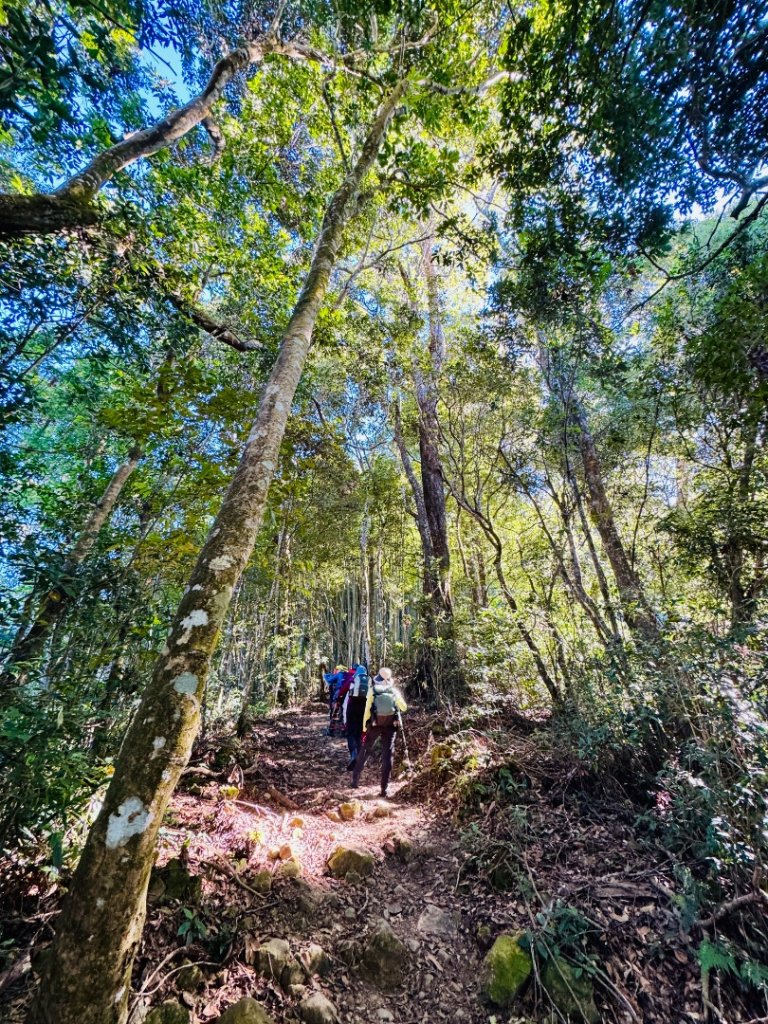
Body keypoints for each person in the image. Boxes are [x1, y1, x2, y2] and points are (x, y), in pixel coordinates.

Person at [351, 667, 407, 798]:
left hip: (375, 724)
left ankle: (355, 780)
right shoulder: (394, 691)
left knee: (365, 750)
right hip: (390, 726)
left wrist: (365, 728)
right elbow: (404, 707)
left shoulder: (373, 690)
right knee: (388, 755)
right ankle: (384, 789)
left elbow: (367, 710)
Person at [343, 664, 369, 771]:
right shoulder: (369, 682)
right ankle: (359, 757)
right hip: (363, 708)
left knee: (350, 733)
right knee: (359, 733)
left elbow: (344, 697)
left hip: (352, 707)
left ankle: (353, 755)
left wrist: (344, 720)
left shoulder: (352, 681)